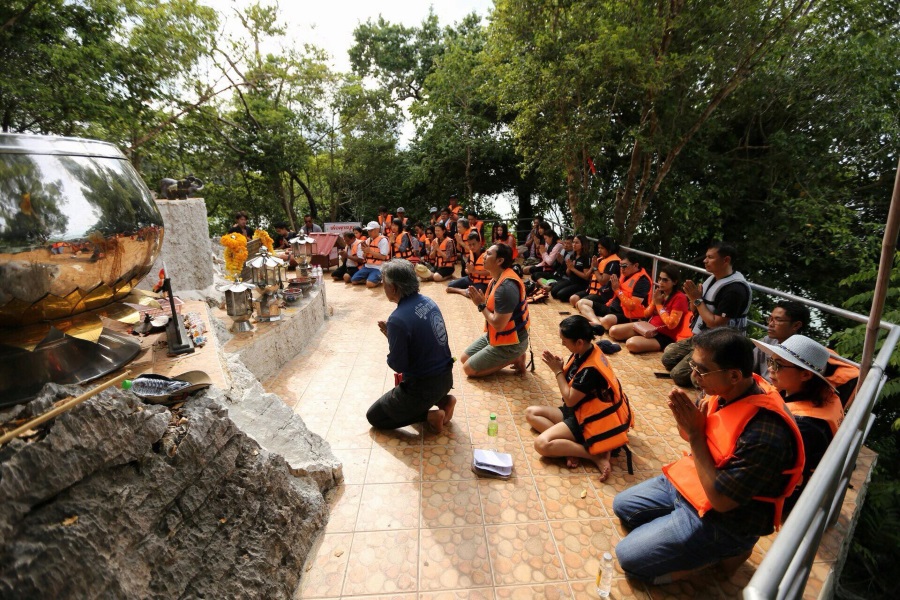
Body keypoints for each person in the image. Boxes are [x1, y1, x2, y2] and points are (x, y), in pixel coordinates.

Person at [613, 328, 805, 584]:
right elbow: (695, 434)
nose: (694, 376)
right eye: (693, 365)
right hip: (698, 482)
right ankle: (677, 530)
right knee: (623, 507)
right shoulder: (723, 389)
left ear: (734, 375)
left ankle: (729, 550)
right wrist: (689, 425)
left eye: (701, 370)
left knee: (630, 558)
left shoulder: (765, 433)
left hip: (725, 517)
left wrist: (695, 434)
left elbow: (722, 502)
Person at [525, 315, 633, 479]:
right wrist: (562, 367)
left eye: (565, 341)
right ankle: (569, 448)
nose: (562, 343)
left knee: (541, 444)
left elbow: (569, 398)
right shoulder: (586, 350)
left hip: (587, 420)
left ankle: (592, 455)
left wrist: (557, 371)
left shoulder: (591, 370)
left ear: (579, 342)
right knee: (531, 413)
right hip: (576, 411)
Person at [752, 335, 844, 514]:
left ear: (805, 374)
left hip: (784, 500)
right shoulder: (825, 396)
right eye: (771, 360)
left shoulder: (805, 426)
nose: (770, 368)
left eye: (778, 365)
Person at [365, 260, 456, 433]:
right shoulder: (429, 302)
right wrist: (394, 337)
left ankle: (431, 416)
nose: (383, 287)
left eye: (384, 283)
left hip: (422, 387)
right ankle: (444, 401)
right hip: (445, 380)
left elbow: (398, 365)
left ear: (394, 287)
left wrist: (393, 341)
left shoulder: (398, 319)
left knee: (375, 416)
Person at [662, 242, 752, 388]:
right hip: (701, 337)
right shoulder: (712, 279)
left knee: (678, 375)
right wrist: (694, 299)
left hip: (718, 344)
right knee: (668, 357)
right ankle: (696, 365)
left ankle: (707, 373)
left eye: (710, 257)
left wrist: (696, 299)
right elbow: (695, 309)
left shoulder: (735, 290)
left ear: (726, 260)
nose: (705, 261)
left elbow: (715, 324)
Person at [461, 243, 530, 377]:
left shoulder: (506, 287)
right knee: (464, 358)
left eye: (488, 254)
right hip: (496, 336)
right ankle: (511, 356)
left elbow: (498, 325)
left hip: (512, 342)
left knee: (469, 370)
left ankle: (515, 357)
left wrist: (481, 305)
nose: (484, 256)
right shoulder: (496, 278)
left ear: (500, 261)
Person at [608, 264, 692, 354]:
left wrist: (658, 305)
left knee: (631, 344)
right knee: (613, 331)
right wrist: (654, 302)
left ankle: (643, 341)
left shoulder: (680, 298)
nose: (660, 282)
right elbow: (646, 314)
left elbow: (671, 324)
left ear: (674, 282)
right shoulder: (660, 293)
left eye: (665, 280)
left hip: (664, 336)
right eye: (660, 279)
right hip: (648, 328)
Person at [576, 252, 651, 336]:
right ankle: (598, 323)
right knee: (581, 302)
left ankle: (597, 321)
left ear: (635, 265)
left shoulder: (643, 281)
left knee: (607, 320)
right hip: (612, 307)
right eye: (620, 265)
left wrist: (617, 290)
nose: (622, 269)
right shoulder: (625, 274)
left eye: (624, 266)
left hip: (627, 315)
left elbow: (632, 306)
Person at [571, 236, 620, 308]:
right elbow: (589, 275)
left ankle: (596, 309)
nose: (599, 250)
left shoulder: (613, 263)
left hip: (602, 294)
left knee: (580, 304)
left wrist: (594, 268)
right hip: (591, 290)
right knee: (573, 299)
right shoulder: (600, 259)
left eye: (602, 248)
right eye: (599, 248)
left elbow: (603, 282)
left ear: (610, 249)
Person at [447, 232, 490, 296]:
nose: (472, 247)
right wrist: (468, 271)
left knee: (473, 294)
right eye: (470, 245)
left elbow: (490, 272)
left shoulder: (487, 256)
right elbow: (466, 269)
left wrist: (474, 271)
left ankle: (458, 290)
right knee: (450, 284)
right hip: (471, 279)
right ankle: (467, 288)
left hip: (482, 282)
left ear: (479, 243)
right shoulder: (471, 254)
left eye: (474, 244)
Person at [550, 235, 592, 300]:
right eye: (573, 242)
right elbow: (568, 274)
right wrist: (569, 268)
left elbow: (586, 277)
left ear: (583, 245)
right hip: (571, 280)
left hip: (581, 284)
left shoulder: (586, 257)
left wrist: (573, 268)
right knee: (553, 292)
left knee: (561, 295)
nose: (574, 245)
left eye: (577, 243)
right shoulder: (573, 255)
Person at [351, 221, 391, 287]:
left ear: (377, 230)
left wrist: (370, 251)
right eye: (368, 230)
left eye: (371, 230)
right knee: (354, 280)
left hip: (379, 267)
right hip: (367, 266)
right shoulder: (368, 240)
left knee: (370, 284)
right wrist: (365, 252)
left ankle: (378, 278)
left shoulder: (383, 240)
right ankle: (370, 279)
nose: (369, 232)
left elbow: (383, 257)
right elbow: (364, 257)